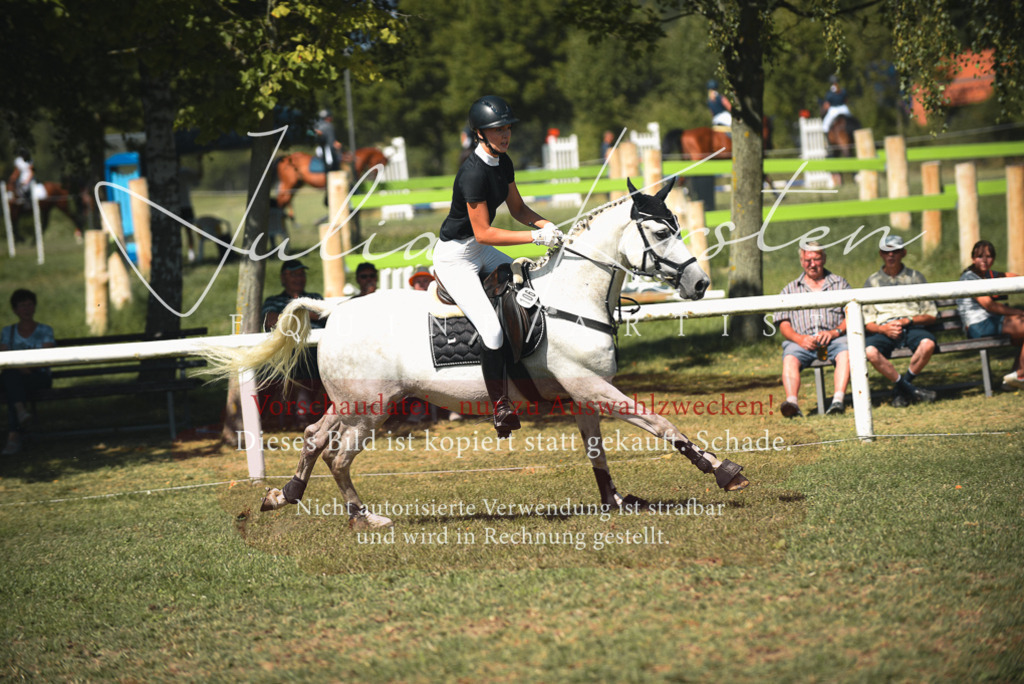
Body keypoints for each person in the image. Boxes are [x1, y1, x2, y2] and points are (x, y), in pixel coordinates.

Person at [433, 95, 563, 437]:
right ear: (479, 133)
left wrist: (545, 225)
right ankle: (500, 406)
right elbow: (484, 232)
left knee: (530, 284)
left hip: (480, 249)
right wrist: (533, 240)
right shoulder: (472, 173)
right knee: (491, 330)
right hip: (457, 257)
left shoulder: (503, 162)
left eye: (506, 128)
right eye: (496, 129)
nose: (504, 135)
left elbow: (519, 210)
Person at [775, 242, 851, 417]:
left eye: (816, 259)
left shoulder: (839, 284)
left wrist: (834, 332)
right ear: (801, 262)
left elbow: (851, 315)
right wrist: (799, 339)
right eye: (807, 260)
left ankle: (838, 401)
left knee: (846, 352)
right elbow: (783, 324)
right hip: (801, 341)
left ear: (823, 259)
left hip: (834, 340)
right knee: (790, 356)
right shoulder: (790, 289)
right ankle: (792, 403)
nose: (812, 264)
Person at [862, 235, 938, 407]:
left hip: (911, 327)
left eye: (895, 251)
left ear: (903, 252)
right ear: (881, 254)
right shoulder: (872, 282)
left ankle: (901, 389)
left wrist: (908, 320)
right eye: (886, 251)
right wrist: (884, 329)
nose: (891, 255)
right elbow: (868, 322)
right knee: (870, 352)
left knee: (928, 344)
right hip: (884, 329)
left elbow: (931, 314)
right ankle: (909, 389)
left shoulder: (916, 277)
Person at [261, 260, 325, 427]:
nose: (299, 278)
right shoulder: (273, 300)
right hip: (285, 351)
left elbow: (322, 315)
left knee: (311, 358)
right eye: (294, 274)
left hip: (314, 349)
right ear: (283, 278)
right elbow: (270, 320)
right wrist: (303, 313)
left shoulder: (315, 297)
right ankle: (298, 412)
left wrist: (288, 315)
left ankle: (299, 411)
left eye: (301, 274)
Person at [956, 240, 1024, 390]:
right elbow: (989, 305)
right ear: (973, 258)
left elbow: (1009, 276)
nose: (985, 260)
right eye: (980, 256)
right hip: (978, 326)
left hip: (989, 321)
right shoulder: (969, 277)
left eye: (989, 256)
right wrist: (1019, 312)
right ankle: (1020, 374)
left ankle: (1012, 379)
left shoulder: (987, 275)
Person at [1, 289, 55, 455]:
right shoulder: (7, 332)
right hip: (17, 378)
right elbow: (3, 356)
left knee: (11, 384)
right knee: (13, 384)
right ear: (15, 310)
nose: (26, 309)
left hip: (39, 377)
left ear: (35, 307)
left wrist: (19, 366)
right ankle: (19, 417)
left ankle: (14, 437)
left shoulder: (45, 330)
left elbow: (45, 357)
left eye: (29, 304)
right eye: (22, 305)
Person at [313, 109, 342, 173]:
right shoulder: (329, 126)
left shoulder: (316, 124)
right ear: (328, 118)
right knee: (332, 165)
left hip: (319, 149)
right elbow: (331, 143)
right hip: (327, 150)